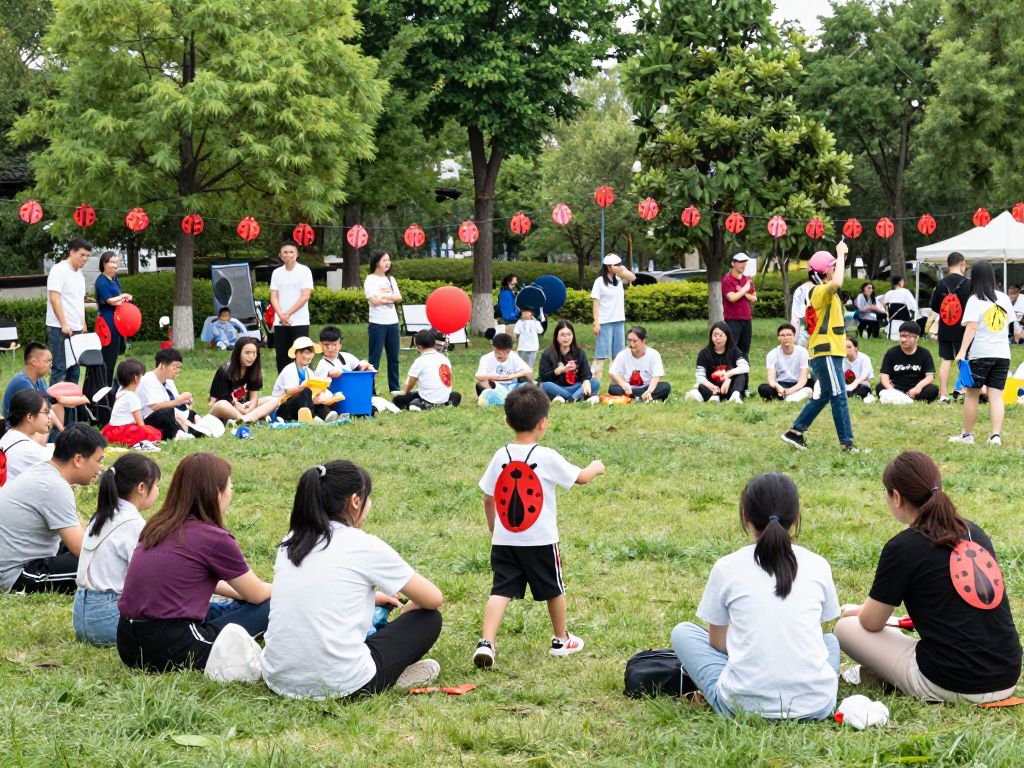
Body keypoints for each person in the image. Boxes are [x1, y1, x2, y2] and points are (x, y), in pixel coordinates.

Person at [834, 451, 1021, 703]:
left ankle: (885, 677)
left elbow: (871, 623)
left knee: (845, 627)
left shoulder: (902, 547)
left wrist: (856, 612)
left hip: (951, 682)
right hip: (1007, 675)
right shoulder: (974, 532)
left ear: (896, 496)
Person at [262, 460, 444, 697]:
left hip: (278, 679)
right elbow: (433, 598)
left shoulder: (291, 540)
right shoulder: (364, 545)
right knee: (429, 619)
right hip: (345, 685)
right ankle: (392, 675)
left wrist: (372, 597)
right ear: (355, 501)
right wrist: (410, 608)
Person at [670, 472, 840, 720]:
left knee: (683, 632)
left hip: (740, 707)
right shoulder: (818, 565)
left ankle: (738, 687)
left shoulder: (727, 567)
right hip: (816, 706)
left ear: (745, 516)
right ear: (796, 516)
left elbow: (717, 643)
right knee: (830, 641)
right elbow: (817, 631)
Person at [472, 385, 604, 668]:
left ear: (507, 420)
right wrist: (596, 466)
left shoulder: (500, 455)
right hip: (540, 541)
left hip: (505, 540)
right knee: (554, 588)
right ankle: (561, 639)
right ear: (543, 422)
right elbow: (581, 478)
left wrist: (494, 529)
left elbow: (488, 497)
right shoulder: (546, 456)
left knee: (500, 590)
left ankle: (486, 642)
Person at [116, 453, 273, 672]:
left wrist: (242, 596)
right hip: (169, 647)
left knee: (234, 606)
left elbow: (189, 580)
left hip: (127, 641)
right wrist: (285, 589)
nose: (231, 491)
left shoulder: (157, 526)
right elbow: (257, 594)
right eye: (230, 486)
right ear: (216, 493)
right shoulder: (214, 537)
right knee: (270, 606)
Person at [0, 423, 106, 594]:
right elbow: (81, 548)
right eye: (98, 460)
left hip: (15, 561)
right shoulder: (54, 486)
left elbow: (76, 533)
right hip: (17, 574)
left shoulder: (43, 471)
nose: (100, 467)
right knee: (100, 565)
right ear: (78, 459)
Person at [73, 453, 161, 646]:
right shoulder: (133, 524)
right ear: (141, 488)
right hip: (108, 619)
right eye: (157, 485)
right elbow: (147, 579)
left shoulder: (102, 515)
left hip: (81, 617)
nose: (158, 491)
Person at [781, 243, 858, 451]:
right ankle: (847, 444)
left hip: (828, 352)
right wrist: (840, 253)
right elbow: (838, 282)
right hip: (826, 352)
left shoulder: (823, 291)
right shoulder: (818, 291)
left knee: (825, 395)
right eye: (833, 266)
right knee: (839, 396)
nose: (836, 269)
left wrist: (840, 257)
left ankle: (795, 432)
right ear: (825, 271)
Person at [949, 260, 1023, 445]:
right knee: (996, 396)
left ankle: (967, 435)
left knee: (971, 395)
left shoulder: (975, 300)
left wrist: (962, 352)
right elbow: (1014, 327)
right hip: (1003, 354)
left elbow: (971, 327)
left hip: (981, 354)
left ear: (974, 277)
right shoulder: (1004, 298)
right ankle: (995, 436)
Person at [2, 342, 80, 432]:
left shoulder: (39, 379)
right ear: (34, 362)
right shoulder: (22, 382)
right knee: (43, 417)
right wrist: (62, 430)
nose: (51, 365)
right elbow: (42, 408)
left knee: (58, 407)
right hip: (15, 428)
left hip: (31, 419)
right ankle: (59, 437)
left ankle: (56, 437)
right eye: (47, 361)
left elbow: (50, 402)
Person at [47, 238, 90, 389]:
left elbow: (79, 301)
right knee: (60, 369)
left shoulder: (80, 274)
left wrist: (83, 323)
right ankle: (54, 403)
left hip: (76, 328)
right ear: (72, 252)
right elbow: (54, 299)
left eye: (87, 256)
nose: (85, 259)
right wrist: (64, 324)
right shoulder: (59, 270)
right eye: (82, 255)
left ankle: (71, 403)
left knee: (75, 369)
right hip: (59, 327)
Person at [929, 252, 971, 403]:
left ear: (948, 265)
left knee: (946, 360)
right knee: (964, 359)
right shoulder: (968, 284)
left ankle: (943, 395)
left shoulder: (941, 284)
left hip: (945, 327)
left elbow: (934, 306)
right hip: (964, 327)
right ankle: (966, 392)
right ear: (962, 264)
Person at [208, 338, 280, 424]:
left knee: (274, 400)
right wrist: (239, 408)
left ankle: (244, 419)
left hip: (243, 406)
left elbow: (254, 399)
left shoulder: (255, 372)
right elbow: (223, 400)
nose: (251, 357)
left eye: (254, 353)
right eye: (247, 353)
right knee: (222, 404)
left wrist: (250, 408)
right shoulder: (224, 370)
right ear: (238, 353)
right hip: (223, 408)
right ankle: (248, 419)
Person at [137, 348, 202, 440]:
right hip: (151, 419)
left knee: (190, 413)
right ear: (162, 365)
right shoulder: (147, 380)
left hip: (170, 416)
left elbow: (174, 401)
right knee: (165, 412)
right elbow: (155, 407)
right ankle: (186, 431)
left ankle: (193, 429)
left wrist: (184, 400)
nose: (177, 370)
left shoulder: (169, 381)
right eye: (175, 367)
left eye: (179, 367)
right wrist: (178, 401)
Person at [270, 242, 314, 374]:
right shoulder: (276, 273)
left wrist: (287, 313)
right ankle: (284, 383)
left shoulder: (304, 271)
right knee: (282, 356)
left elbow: (305, 296)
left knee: (302, 355)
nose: (288, 255)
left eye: (291, 252)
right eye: (285, 252)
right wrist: (281, 315)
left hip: (299, 321)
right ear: (280, 255)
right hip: (280, 322)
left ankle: (304, 383)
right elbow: (274, 297)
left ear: (297, 254)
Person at [271, 336, 337, 423]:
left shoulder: (308, 371)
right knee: (306, 391)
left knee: (317, 400)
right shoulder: (289, 370)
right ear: (296, 353)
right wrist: (303, 386)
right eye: (306, 353)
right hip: (284, 407)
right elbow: (289, 392)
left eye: (311, 353)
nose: (309, 356)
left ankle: (327, 415)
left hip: (302, 405)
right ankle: (312, 417)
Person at [590, 253, 635, 379]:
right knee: (601, 355)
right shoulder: (599, 282)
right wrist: (596, 323)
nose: (619, 266)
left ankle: (616, 384)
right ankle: (595, 382)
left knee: (618, 355)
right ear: (608, 267)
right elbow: (595, 303)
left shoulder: (619, 279)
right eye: (616, 265)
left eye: (619, 264)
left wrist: (622, 269)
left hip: (619, 321)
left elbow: (632, 277)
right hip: (605, 322)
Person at [101, 359, 163, 450]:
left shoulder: (120, 392)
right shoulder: (132, 397)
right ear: (136, 378)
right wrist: (148, 432)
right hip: (124, 432)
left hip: (112, 430)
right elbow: (140, 423)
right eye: (142, 376)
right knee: (154, 433)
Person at [364, 251, 403, 394]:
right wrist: (389, 297)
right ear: (377, 262)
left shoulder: (390, 279)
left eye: (388, 260)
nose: (387, 263)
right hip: (377, 324)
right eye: (384, 260)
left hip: (393, 323)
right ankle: (370, 389)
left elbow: (399, 297)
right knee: (374, 359)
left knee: (394, 358)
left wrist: (383, 298)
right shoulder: (370, 280)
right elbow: (374, 301)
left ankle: (395, 388)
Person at [393, 330, 461, 410]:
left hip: (428, 398)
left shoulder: (420, 361)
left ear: (418, 346)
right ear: (434, 343)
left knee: (397, 399)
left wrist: (405, 392)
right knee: (456, 395)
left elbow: (410, 383)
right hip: (443, 397)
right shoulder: (445, 359)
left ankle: (419, 405)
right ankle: (447, 403)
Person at [685, 322, 749, 403]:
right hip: (712, 387)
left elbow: (745, 367)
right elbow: (700, 376)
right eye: (715, 335)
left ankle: (735, 396)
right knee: (702, 385)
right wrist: (712, 387)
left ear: (727, 336)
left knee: (741, 375)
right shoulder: (704, 354)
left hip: (729, 387)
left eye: (721, 335)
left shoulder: (734, 351)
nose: (717, 338)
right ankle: (713, 396)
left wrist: (728, 376)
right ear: (711, 337)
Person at [537, 320, 600, 403]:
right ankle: (575, 397)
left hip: (576, 386)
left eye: (569, 334)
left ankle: (568, 399)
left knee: (595, 383)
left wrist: (586, 381)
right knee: (545, 385)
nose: (566, 337)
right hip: (556, 387)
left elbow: (586, 373)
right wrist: (560, 370)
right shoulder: (548, 353)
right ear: (556, 336)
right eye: (562, 335)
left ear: (573, 336)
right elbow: (543, 377)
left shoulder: (579, 352)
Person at [876, 321, 939, 404]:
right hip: (896, 386)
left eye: (907, 336)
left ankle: (905, 398)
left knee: (933, 390)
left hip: (916, 387)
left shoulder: (925, 353)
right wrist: (891, 389)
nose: (903, 340)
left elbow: (930, 377)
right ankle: (900, 397)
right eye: (901, 336)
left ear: (916, 338)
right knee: (880, 387)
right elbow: (884, 375)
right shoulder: (891, 352)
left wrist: (918, 388)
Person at [94, 250, 132, 381]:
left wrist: (122, 300)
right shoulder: (101, 281)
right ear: (104, 263)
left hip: (116, 320)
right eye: (112, 262)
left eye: (116, 262)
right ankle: (102, 383)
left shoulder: (114, 279)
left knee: (114, 354)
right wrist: (123, 296)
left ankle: (109, 383)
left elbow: (117, 300)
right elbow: (109, 300)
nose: (115, 265)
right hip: (107, 322)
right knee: (107, 355)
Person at [0, 390, 53, 482]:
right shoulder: (29, 449)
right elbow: (64, 467)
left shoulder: (10, 435)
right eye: (46, 412)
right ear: (29, 416)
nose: (50, 416)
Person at [608, 325, 671, 402]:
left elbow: (656, 376)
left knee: (665, 386)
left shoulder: (654, 354)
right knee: (612, 388)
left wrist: (650, 390)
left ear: (643, 341)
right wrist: (623, 384)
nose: (631, 344)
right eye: (629, 340)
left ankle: (642, 396)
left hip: (647, 387)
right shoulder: (623, 354)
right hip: (629, 389)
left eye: (634, 341)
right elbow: (612, 372)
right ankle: (642, 398)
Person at [757, 323, 812, 402]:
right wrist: (778, 387)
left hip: (799, 384)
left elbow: (803, 379)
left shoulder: (802, 352)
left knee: (815, 383)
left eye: (789, 335)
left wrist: (791, 390)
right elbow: (771, 379)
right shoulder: (772, 354)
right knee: (762, 388)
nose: (786, 338)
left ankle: (786, 397)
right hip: (781, 384)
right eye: (782, 335)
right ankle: (793, 396)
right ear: (779, 337)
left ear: (794, 336)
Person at [721, 252, 757, 357]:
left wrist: (742, 292)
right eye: (740, 262)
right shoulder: (727, 280)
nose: (743, 265)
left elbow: (754, 298)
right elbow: (732, 298)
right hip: (732, 319)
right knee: (732, 349)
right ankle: (730, 367)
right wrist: (745, 289)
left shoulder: (747, 280)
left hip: (747, 318)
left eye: (745, 262)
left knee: (745, 351)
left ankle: (744, 367)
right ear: (733, 263)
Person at [475, 333, 532, 397]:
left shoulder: (513, 356)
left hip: (511, 386)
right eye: (498, 353)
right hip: (494, 386)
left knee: (527, 383)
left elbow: (528, 370)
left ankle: (510, 396)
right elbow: (478, 376)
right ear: (493, 348)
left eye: (505, 352)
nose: (502, 355)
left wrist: (511, 376)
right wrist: (491, 377)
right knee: (481, 384)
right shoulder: (486, 358)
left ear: (510, 350)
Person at [843, 336, 875, 402]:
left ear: (856, 348)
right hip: (844, 387)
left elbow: (863, 376)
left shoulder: (864, 359)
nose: (846, 349)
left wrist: (852, 386)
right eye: (844, 347)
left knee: (863, 390)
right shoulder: (841, 360)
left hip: (861, 385)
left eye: (849, 347)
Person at [513, 306, 543, 375]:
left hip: (532, 347)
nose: (525, 313)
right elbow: (516, 331)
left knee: (530, 366)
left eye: (527, 312)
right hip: (522, 347)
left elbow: (540, 331)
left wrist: (536, 321)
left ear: (531, 313)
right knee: (521, 365)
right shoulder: (520, 322)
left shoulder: (535, 322)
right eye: (524, 311)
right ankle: (520, 378)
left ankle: (529, 379)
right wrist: (520, 322)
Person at [790, 277, 815, 347]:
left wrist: (793, 341)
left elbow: (796, 320)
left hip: (805, 335)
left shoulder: (801, 289)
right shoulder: (830, 288)